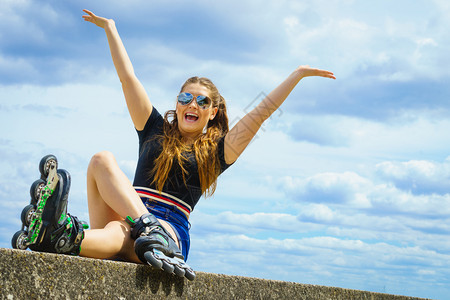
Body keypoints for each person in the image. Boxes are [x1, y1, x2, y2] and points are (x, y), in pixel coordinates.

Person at [18, 9, 335, 280]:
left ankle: (65, 234)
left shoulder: (217, 152)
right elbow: (128, 79)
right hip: (128, 215)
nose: (192, 103)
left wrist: (297, 74)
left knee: (121, 234)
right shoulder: (154, 129)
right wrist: (111, 29)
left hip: (168, 231)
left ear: (212, 112)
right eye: (185, 97)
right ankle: (59, 233)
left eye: (202, 101)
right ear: (178, 103)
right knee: (101, 159)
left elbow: (259, 115)